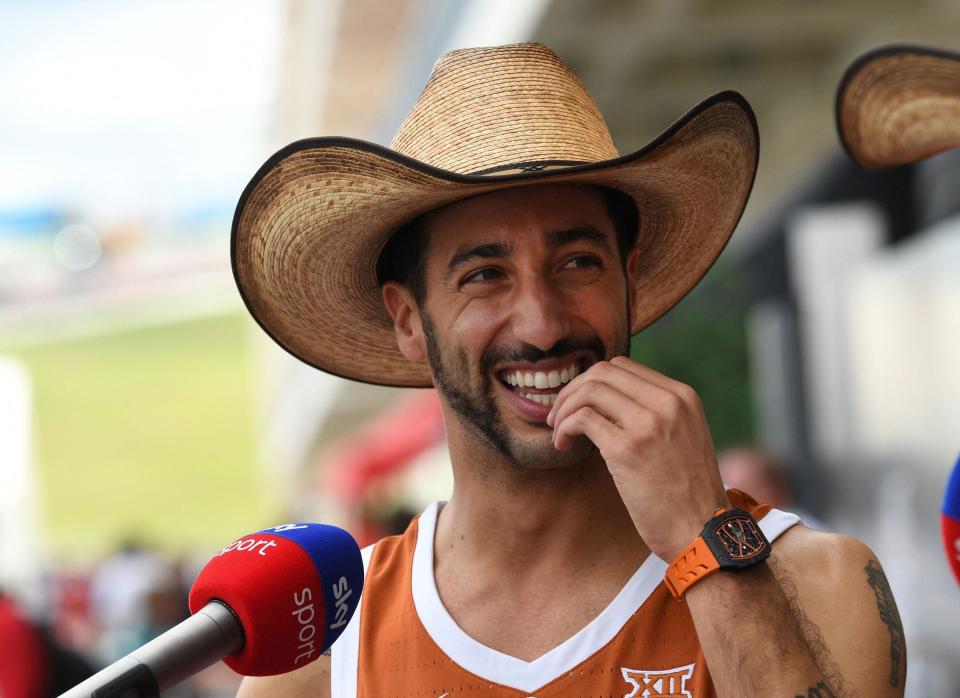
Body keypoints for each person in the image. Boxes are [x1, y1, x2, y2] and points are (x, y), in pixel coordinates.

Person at [235, 43, 904, 697]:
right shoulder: (323, 651)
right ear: (409, 320)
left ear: (629, 280)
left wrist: (705, 541)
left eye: (578, 262)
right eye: (485, 275)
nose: (543, 324)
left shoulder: (821, 582)